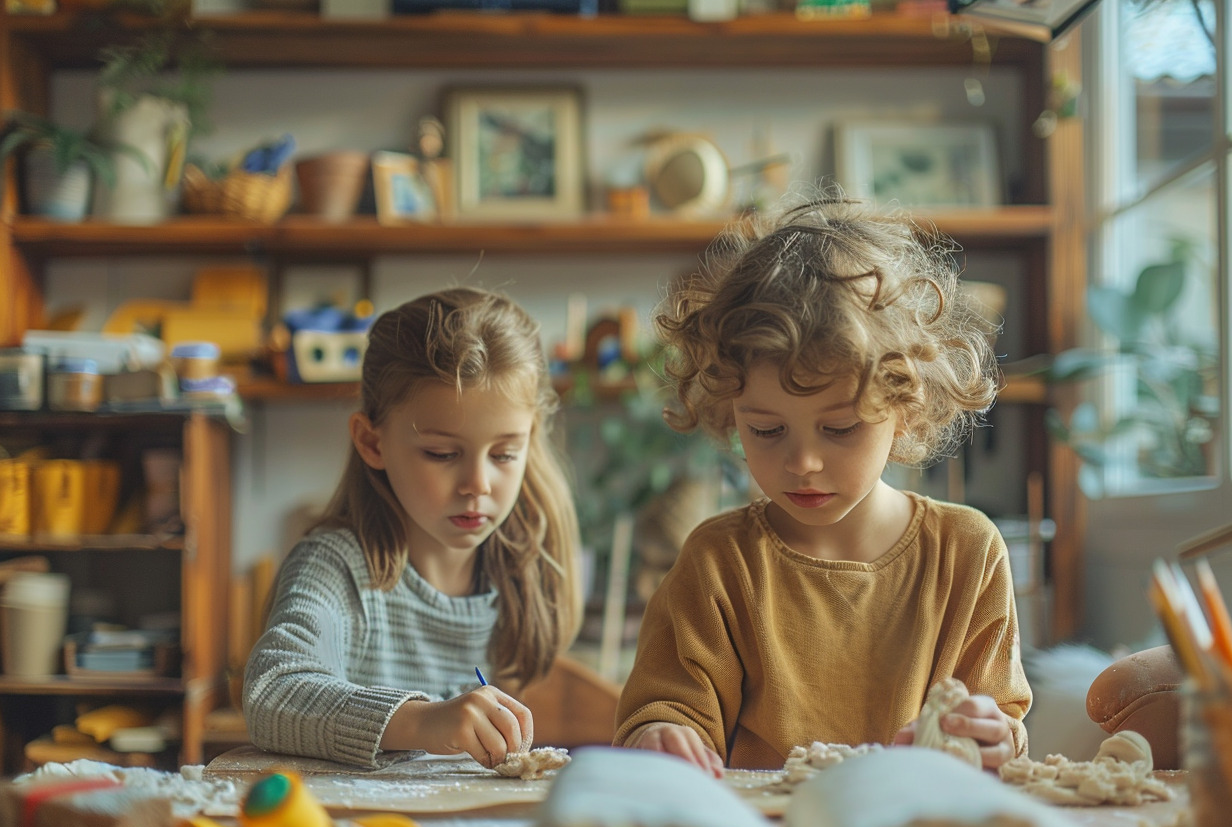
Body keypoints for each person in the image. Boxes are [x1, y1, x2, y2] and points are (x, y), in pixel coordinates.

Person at [612, 193, 1031, 778]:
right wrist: (662, 733)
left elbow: (1002, 721)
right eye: (766, 429)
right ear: (729, 409)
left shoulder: (966, 552)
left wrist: (993, 737)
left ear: (906, 407)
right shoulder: (718, 562)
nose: (802, 461)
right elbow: (667, 708)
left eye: (839, 428)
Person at [244, 287, 583, 769]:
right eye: (443, 454)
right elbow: (271, 691)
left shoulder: (522, 570)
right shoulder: (337, 568)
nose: (477, 484)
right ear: (372, 441)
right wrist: (424, 721)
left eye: (505, 454)